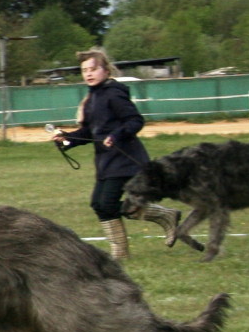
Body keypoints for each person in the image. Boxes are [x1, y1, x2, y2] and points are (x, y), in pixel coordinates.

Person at [50, 48, 180, 259]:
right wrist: (66, 139)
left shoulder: (114, 94)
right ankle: (123, 249)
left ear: (106, 71)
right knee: (99, 204)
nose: (88, 74)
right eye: (85, 70)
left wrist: (116, 135)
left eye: (93, 69)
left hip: (125, 160)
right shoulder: (92, 98)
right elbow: (89, 132)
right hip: (106, 162)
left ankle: (160, 219)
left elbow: (135, 121)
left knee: (107, 203)